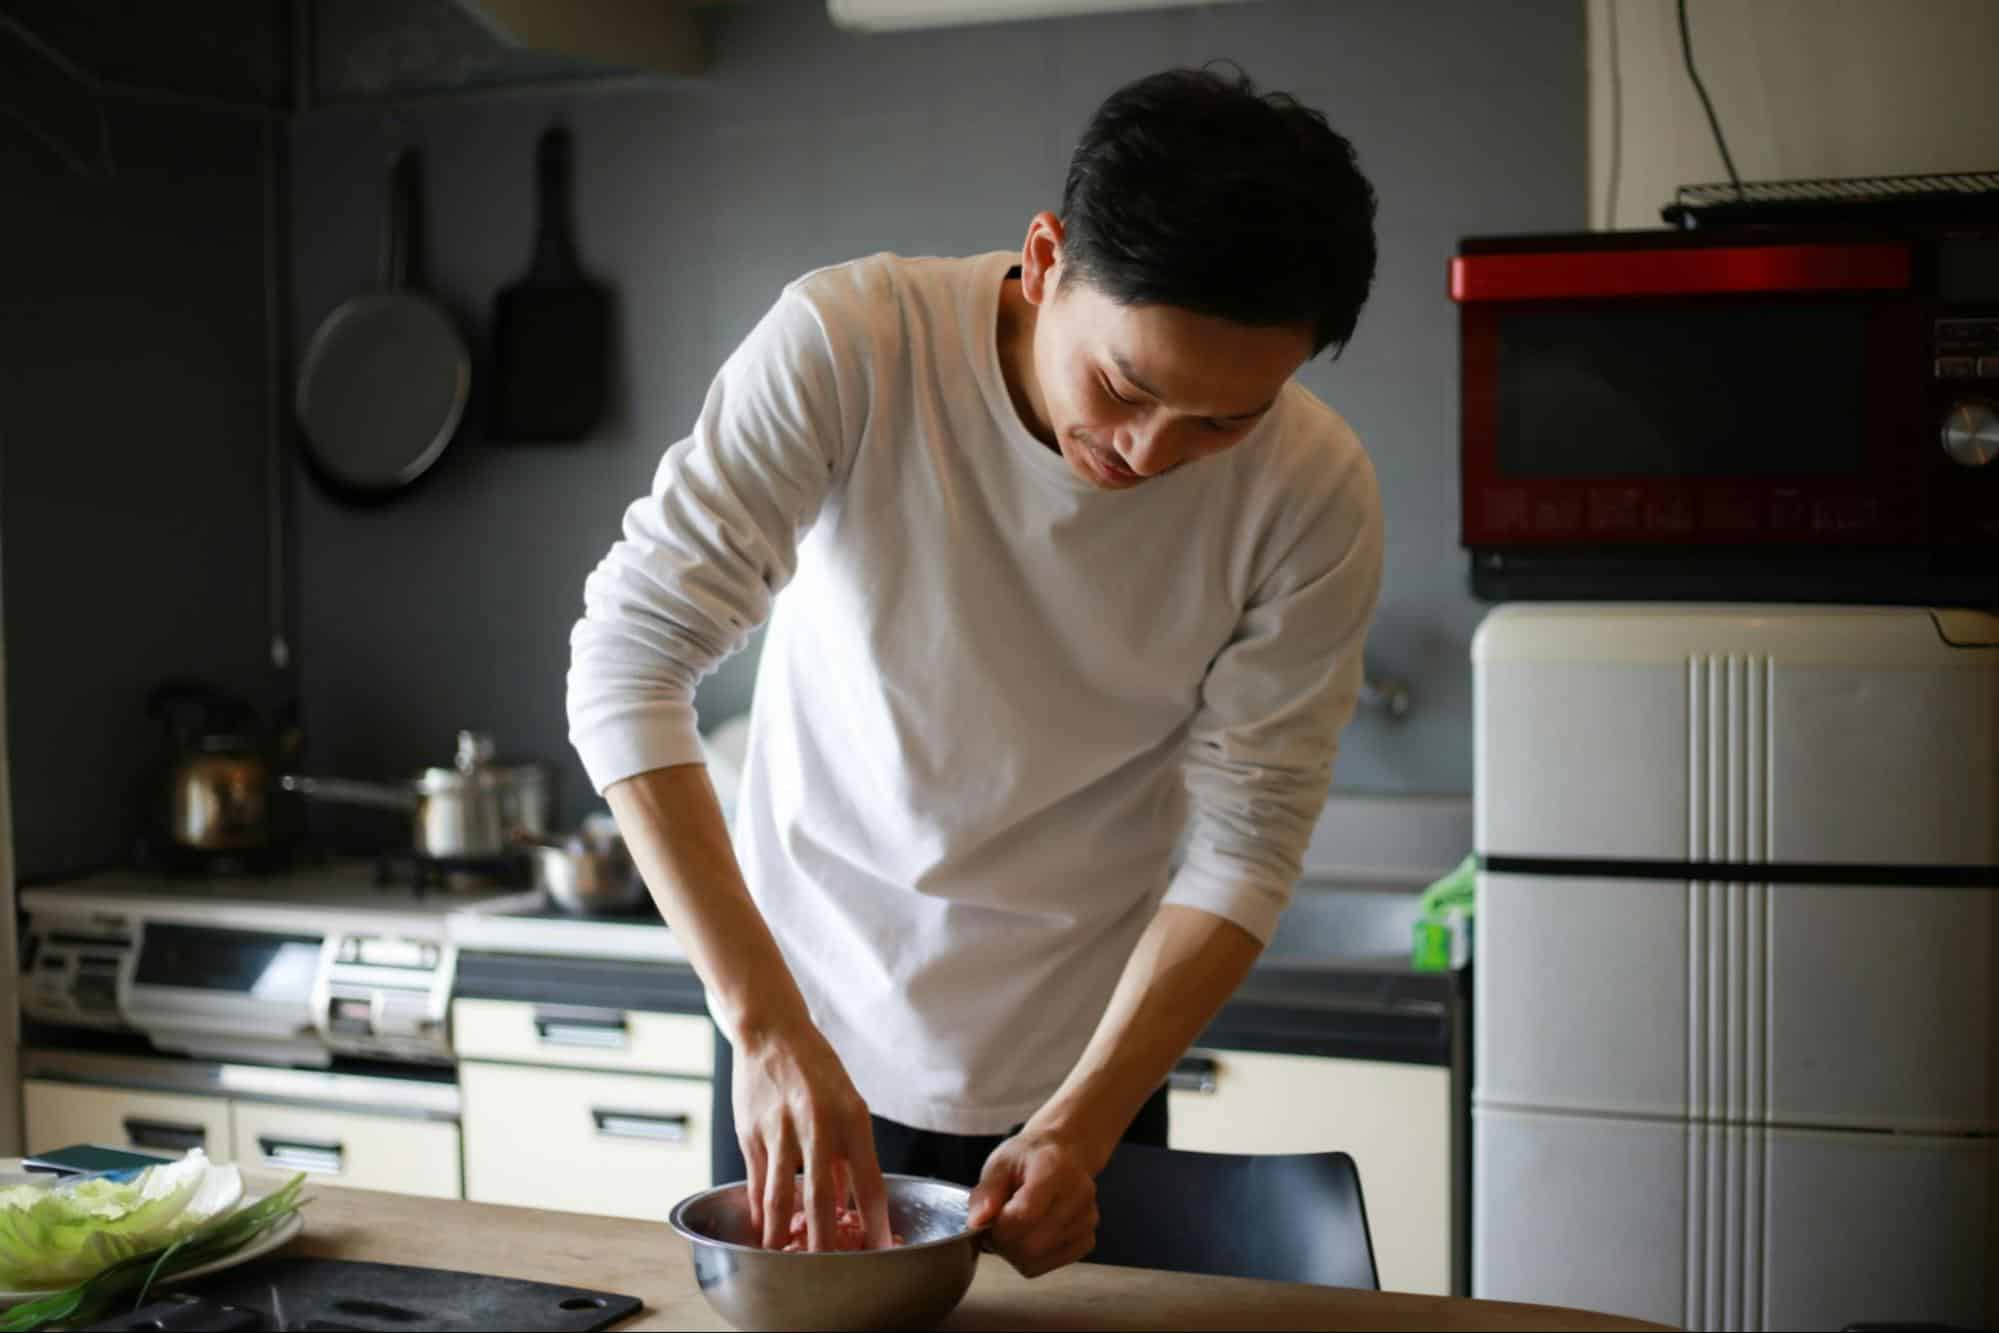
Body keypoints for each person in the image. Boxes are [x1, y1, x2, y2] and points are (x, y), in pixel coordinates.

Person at [566, 62, 1383, 1278]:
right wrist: (766, 1028)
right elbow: (628, 661)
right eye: (1124, 384)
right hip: (802, 1030)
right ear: (1046, 258)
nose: (1152, 453)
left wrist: (1084, 1119)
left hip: (1083, 1070)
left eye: (1222, 422)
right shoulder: (853, 345)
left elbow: (1247, 842)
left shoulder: (1312, 494)